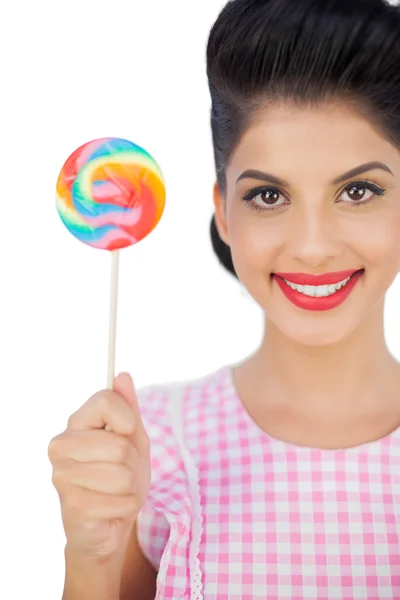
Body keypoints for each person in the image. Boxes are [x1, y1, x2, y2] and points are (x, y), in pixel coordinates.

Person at [48, 0, 400, 598]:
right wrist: (90, 554)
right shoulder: (147, 444)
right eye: (268, 196)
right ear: (225, 215)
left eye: (358, 190)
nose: (313, 248)